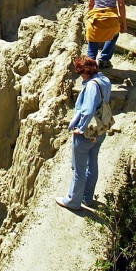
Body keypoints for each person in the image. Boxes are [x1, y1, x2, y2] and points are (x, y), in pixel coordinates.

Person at [55, 56, 112, 210]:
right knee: (92, 163)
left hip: (88, 132)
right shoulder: (104, 80)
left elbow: (87, 110)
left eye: (81, 73)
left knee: (77, 168)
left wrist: (80, 129)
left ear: (86, 72)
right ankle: (87, 198)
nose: (81, 76)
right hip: (100, 130)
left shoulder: (92, 86)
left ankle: (72, 201)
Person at [86, 0, 126, 69]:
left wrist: (89, 18)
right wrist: (123, 23)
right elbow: (121, 4)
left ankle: (90, 64)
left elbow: (90, 3)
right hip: (111, 19)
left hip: (95, 18)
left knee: (93, 41)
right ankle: (104, 59)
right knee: (114, 35)